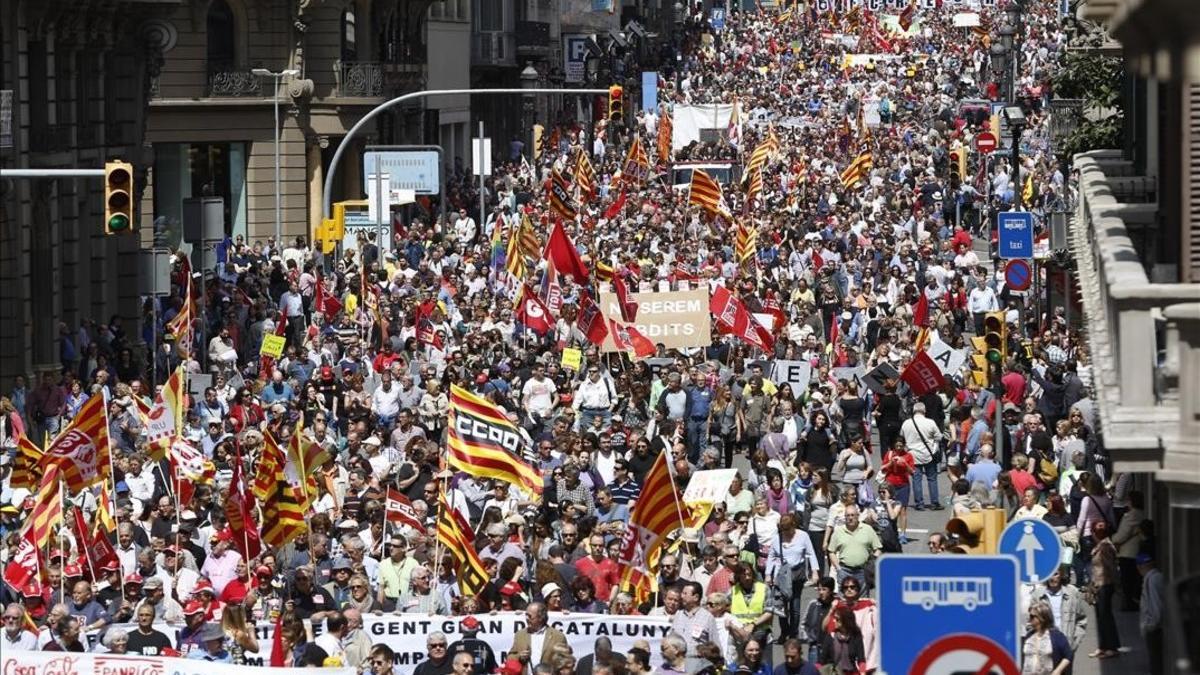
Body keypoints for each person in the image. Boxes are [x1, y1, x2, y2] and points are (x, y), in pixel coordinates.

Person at [1087, 520, 1120, 660]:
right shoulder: (1101, 545)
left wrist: (1116, 585)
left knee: (1105, 616)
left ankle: (1111, 647)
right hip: (1098, 584)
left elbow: (1110, 567)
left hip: (1104, 585)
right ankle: (1103, 646)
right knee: (1100, 617)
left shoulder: (1105, 547)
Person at [509, 602, 568, 675]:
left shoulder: (558, 636)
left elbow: (565, 661)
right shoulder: (520, 635)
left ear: (540, 617)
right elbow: (510, 657)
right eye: (526, 615)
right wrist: (520, 657)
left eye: (530, 616)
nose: (526, 619)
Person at [1021, 602, 1072, 675]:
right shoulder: (1029, 636)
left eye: (1032, 616)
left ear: (1042, 617)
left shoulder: (1056, 636)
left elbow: (1068, 655)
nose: (1029, 618)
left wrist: (1058, 670)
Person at [1137, 553, 1164, 675]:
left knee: (1156, 662)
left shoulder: (1151, 580)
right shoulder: (1155, 577)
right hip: (1155, 626)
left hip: (1154, 628)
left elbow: (1155, 604)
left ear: (1140, 567)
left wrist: (1150, 626)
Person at [819, 607, 866, 675]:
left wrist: (863, 672)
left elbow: (861, 660)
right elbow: (821, 661)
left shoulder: (856, 636)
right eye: (834, 618)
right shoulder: (830, 637)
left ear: (845, 620)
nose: (834, 621)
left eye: (837, 619)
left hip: (851, 672)